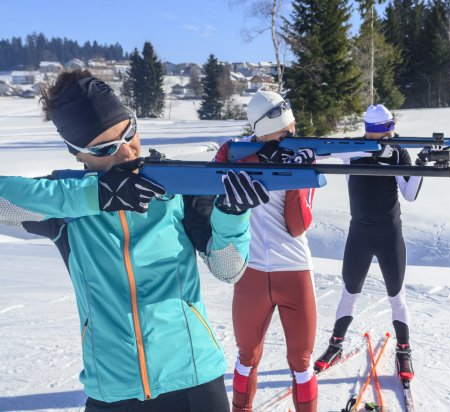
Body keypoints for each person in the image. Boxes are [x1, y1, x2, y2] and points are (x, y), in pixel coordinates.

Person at [0, 69, 270, 412]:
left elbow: (228, 269)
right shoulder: (62, 204)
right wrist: (95, 196)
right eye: (106, 148)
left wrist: (232, 215)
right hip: (112, 392)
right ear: (77, 153)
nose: (127, 152)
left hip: (194, 382)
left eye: (129, 132)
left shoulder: (177, 189)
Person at [214, 89, 318, 412]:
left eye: (294, 128)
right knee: (246, 357)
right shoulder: (234, 153)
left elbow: (297, 224)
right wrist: (258, 160)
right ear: (263, 132)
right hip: (251, 272)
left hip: (295, 270)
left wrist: (296, 176)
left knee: (301, 362)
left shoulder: (302, 156)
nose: (293, 135)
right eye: (285, 131)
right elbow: (210, 183)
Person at [314, 104, 427, 382]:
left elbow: (410, 194)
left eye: (391, 128)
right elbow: (320, 151)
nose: (390, 133)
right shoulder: (353, 149)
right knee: (349, 292)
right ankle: (335, 346)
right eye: (387, 129)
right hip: (360, 234)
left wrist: (421, 164)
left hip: (389, 233)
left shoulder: (399, 151)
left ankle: (404, 350)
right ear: (374, 129)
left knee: (396, 296)